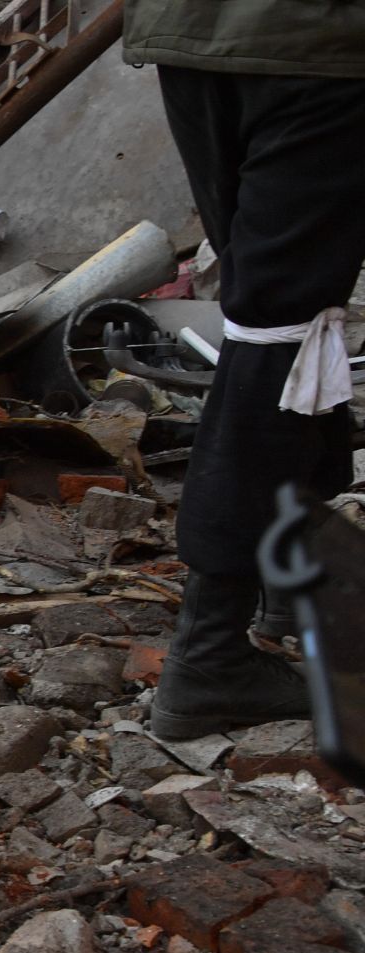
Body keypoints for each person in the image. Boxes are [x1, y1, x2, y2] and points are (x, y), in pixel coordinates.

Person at [126, 1, 365, 740]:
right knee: (283, 330)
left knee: (275, 317)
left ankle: (286, 583)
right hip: (315, 41)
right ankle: (210, 651)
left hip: (196, 31)